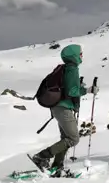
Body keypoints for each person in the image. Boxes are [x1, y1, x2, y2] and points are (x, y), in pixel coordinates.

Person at [32, 43, 98, 175]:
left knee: (66, 138)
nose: (81, 56)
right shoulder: (72, 69)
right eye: (80, 54)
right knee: (73, 139)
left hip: (57, 107)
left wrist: (79, 87)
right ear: (74, 56)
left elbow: (68, 88)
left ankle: (57, 166)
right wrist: (88, 90)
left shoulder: (65, 68)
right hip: (63, 108)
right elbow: (72, 91)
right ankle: (42, 156)